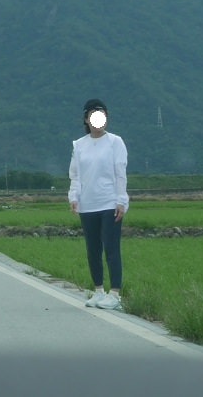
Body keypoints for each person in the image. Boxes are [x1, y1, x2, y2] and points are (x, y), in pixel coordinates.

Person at [68, 97, 129, 310]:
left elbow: (120, 173)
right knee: (93, 249)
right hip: (88, 204)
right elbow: (75, 175)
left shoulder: (115, 142)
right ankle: (98, 291)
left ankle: (115, 294)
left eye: (101, 115)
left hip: (109, 202)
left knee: (111, 248)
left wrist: (121, 200)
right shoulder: (79, 145)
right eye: (93, 115)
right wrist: (74, 196)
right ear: (86, 119)